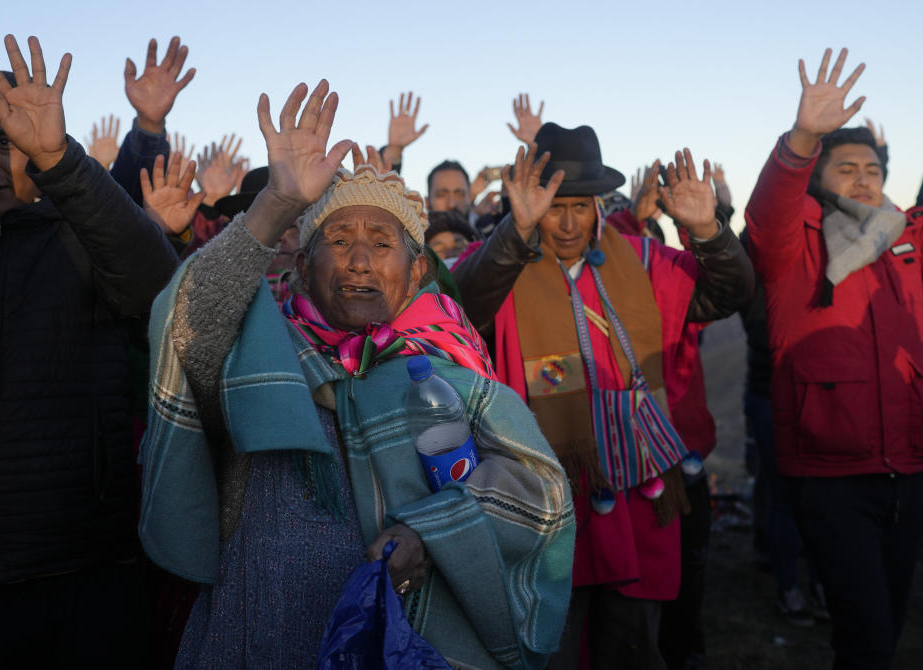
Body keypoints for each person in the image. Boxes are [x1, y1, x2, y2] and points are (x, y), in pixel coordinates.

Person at [138, 79, 575, 670]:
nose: (360, 261)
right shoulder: (260, 355)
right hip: (258, 635)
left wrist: (430, 533)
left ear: (417, 269)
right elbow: (189, 322)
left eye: (381, 242)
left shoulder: (449, 370)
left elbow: (536, 488)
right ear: (300, 265)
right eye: (338, 240)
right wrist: (276, 205)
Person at [453, 122, 753, 669]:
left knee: (632, 643)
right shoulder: (501, 266)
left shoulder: (642, 261)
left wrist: (708, 229)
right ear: (530, 203)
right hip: (548, 495)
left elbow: (729, 295)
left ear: (598, 206)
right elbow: (464, 309)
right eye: (552, 206)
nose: (567, 223)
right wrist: (514, 233)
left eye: (581, 206)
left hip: (637, 490)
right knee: (554, 644)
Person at [0, 35, 181, 668]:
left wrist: (62, 161)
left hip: (84, 574)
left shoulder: (84, 240)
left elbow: (157, 288)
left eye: (1, 142)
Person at [744, 47, 923, 669]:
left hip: (910, 467)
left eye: (871, 168)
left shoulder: (908, 242)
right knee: (867, 634)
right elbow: (768, 216)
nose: (863, 178)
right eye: (845, 168)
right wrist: (801, 141)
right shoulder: (797, 246)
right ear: (820, 179)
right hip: (831, 475)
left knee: (890, 621)